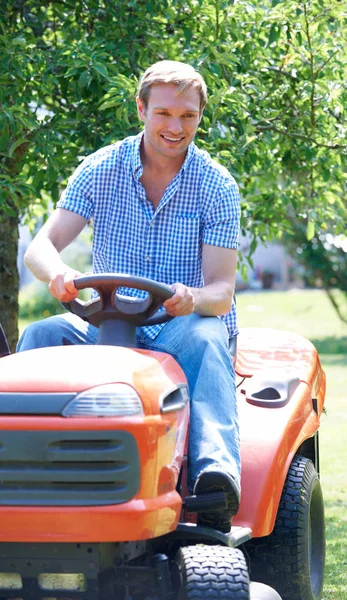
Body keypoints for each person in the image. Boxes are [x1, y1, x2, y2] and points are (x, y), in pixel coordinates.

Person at [18, 60, 241, 533]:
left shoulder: (217, 184)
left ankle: (215, 476)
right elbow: (41, 247)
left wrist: (192, 297)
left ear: (201, 117)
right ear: (141, 109)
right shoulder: (101, 168)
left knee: (204, 335)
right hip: (108, 324)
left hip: (181, 327)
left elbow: (221, 293)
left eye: (188, 116)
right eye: (163, 113)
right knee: (41, 334)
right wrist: (58, 273)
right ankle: (19, 468)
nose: (175, 127)